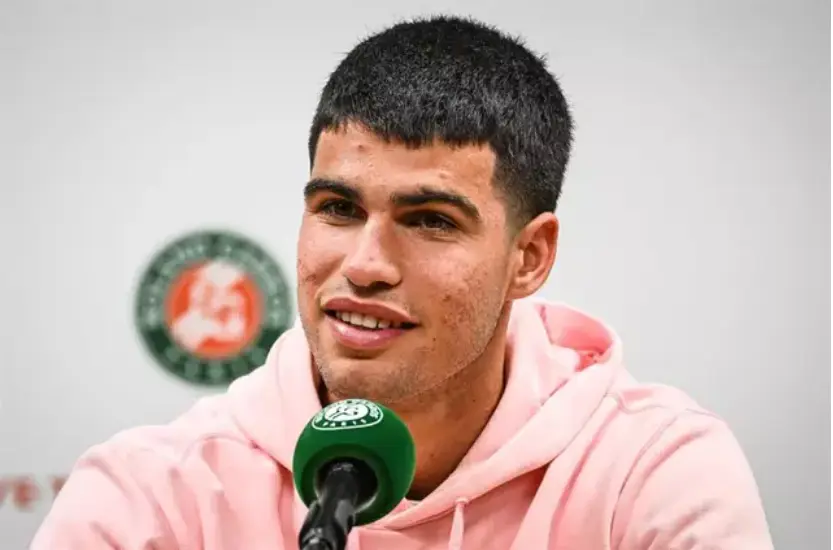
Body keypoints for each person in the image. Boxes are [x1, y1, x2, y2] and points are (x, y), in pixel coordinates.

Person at [31, 15, 774, 550]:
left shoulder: (651, 472)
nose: (364, 263)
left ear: (530, 256)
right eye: (337, 208)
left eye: (430, 221)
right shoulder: (148, 499)